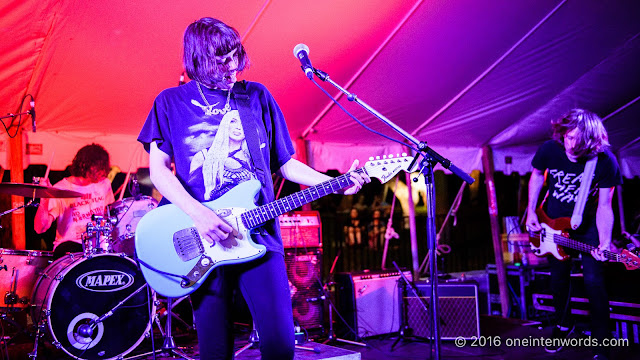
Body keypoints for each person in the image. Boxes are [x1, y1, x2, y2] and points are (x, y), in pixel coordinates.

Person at [137, 17, 369, 360]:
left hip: (260, 236)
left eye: (235, 56)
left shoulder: (256, 97)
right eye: (222, 61)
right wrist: (199, 215)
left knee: (280, 346)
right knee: (215, 351)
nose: (232, 67)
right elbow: (158, 171)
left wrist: (335, 184)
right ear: (198, 60)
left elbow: (286, 164)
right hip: (204, 241)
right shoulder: (170, 102)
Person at [525, 109, 622, 360]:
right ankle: (563, 326)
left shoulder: (605, 162)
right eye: (568, 138)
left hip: (587, 227)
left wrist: (605, 242)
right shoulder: (549, 149)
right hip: (550, 222)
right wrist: (532, 212)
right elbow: (536, 176)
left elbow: (604, 205)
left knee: (593, 281)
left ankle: (602, 340)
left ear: (591, 143)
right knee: (558, 279)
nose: (570, 146)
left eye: (577, 142)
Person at [34, 143, 115, 258]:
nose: (102, 172)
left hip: (98, 246)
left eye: (104, 168)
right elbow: (40, 228)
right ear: (84, 165)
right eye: (99, 168)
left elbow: (110, 216)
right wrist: (43, 198)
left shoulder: (104, 184)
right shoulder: (61, 189)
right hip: (70, 248)